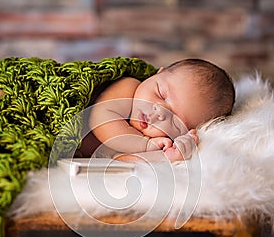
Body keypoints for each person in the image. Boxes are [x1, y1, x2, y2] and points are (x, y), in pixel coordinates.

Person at [82, 58, 235, 162]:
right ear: (158, 73)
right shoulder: (129, 87)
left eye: (175, 120)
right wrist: (145, 145)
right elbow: (99, 118)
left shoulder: (147, 140)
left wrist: (167, 157)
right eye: (161, 94)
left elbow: (122, 161)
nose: (159, 113)